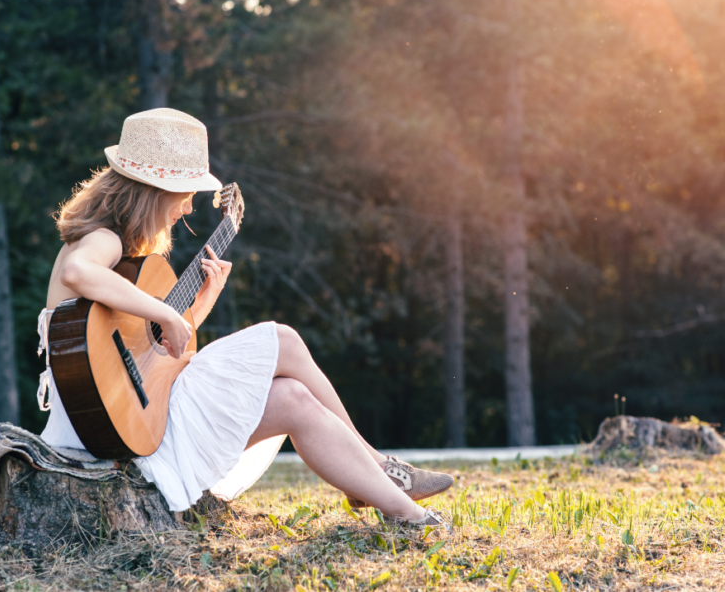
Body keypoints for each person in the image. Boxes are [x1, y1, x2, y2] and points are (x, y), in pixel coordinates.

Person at [35, 108, 454, 528]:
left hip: (131, 423)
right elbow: (79, 273)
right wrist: (167, 311)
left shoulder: (128, 259)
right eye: (186, 194)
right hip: (107, 433)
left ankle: (401, 509)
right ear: (157, 189)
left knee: (293, 399)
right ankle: (381, 469)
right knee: (284, 338)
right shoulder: (101, 239)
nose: (187, 209)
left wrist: (199, 305)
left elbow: (158, 361)